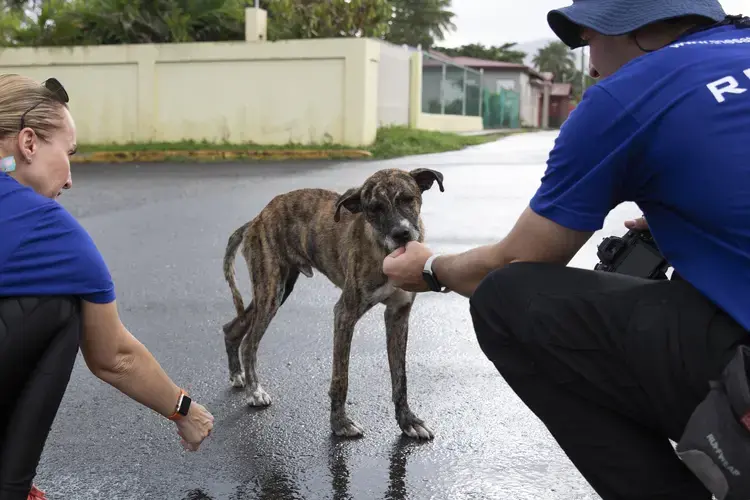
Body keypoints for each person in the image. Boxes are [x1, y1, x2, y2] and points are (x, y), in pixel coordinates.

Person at [382, 1, 750, 499]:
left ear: (631, 29)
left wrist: (428, 267)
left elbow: (516, 262)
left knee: (508, 299)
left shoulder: (627, 94)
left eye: (590, 39)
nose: (592, 65)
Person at [0, 74, 215, 500]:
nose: (70, 178)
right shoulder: (46, 227)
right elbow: (113, 356)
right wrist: (184, 410)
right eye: (68, 152)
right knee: (63, 309)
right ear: (29, 143)